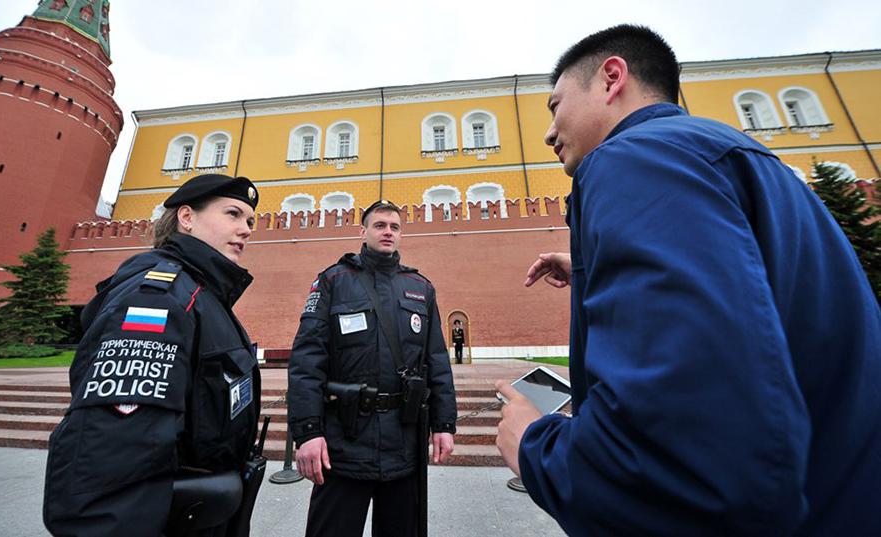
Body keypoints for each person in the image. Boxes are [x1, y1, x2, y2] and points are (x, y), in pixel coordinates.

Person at [495, 24, 881, 537]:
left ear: (612, 78)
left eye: (555, 105)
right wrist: (593, 264)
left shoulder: (635, 159)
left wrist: (534, 445)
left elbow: (681, 459)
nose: (549, 132)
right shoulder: (730, 155)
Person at [44, 174, 265, 536]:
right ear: (187, 217)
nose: (246, 229)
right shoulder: (158, 297)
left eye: (250, 221)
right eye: (233, 214)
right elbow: (116, 449)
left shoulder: (201, 294)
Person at [288, 200, 457, 537]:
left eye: (394, 227)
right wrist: (307, 432)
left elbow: (436, 360)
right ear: (362, 232)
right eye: (380, 225)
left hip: (404, 443)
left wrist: (444, 423)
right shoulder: (333, 281)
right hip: (344, 442)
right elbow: (307, 359)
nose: (388, 232)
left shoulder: (421, 288)